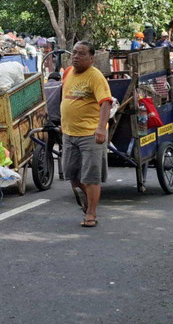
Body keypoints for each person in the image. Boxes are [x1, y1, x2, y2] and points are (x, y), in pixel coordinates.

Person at [61, 41, 113, 228]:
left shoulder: (95, 77)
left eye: (81, 54)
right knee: (72, 174)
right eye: (74, 53)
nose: (76, 56)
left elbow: (106, 103)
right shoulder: (67, 72)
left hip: (90, 134)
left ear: (91, 58)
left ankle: (91, 213)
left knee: (90, 176)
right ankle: (88, 201)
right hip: (69, 133)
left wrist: (101, 128)